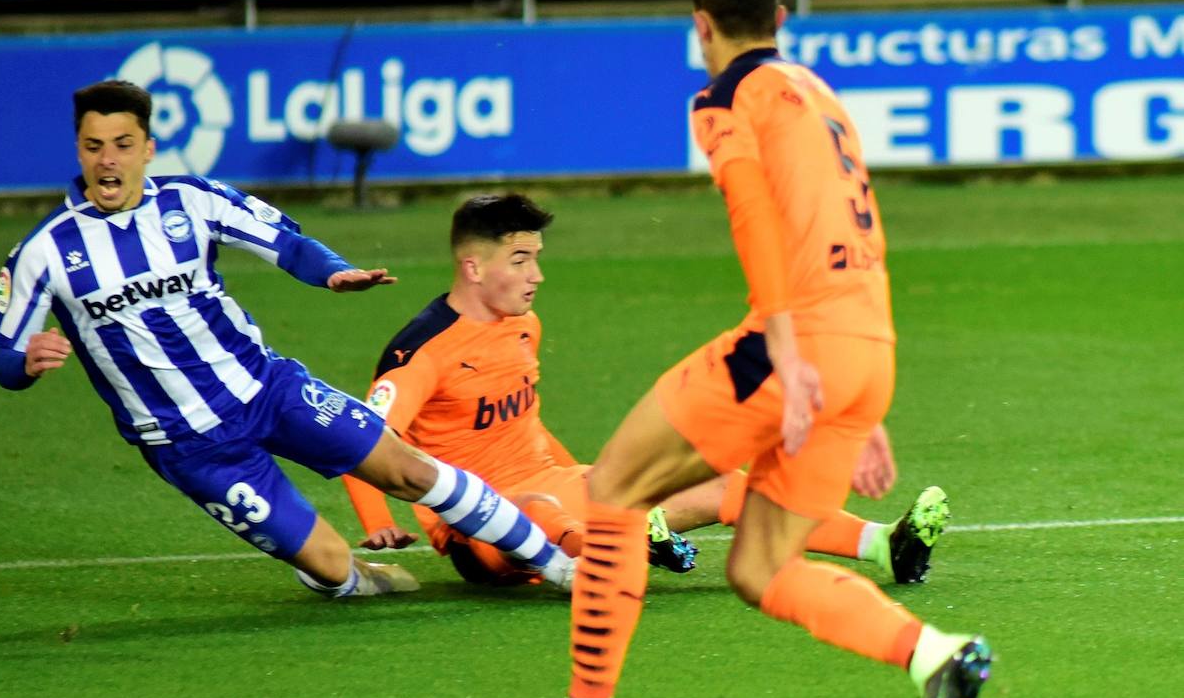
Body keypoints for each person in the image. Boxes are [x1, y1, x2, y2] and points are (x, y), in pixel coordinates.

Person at [478, 0, 991, 698]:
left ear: (701, 23)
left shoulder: (724, 98)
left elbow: (753, 213)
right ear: (781, 19)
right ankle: (937, 654)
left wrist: (788, 347)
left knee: (611, 486)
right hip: (866, 345)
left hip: (794, 344)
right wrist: (862, 395)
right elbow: (854, 233)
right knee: (761, 566)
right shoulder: (822, 94)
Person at [0, 79, 578, 600]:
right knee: (331, 566)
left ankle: (561, 570)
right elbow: (3, 356)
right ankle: (347, 574)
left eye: (122, 145)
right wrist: (27, 362)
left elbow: (285, 243)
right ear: (79, 152)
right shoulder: (45, 251)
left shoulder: (193, 201)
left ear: (148, 150)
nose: (108, 161)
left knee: (411, 471)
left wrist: (333, 271)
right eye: (94, 147)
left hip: (270, 389)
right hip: (192, 447)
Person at [343, 193, 950, 588]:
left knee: (723, 482)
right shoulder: (421, 349)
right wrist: (378, 521)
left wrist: (583, 474)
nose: (537, 275)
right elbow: (358, 438)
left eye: (537, 257)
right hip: (480, 527)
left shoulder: (523, 325)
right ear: (474, 268)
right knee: (537, 508)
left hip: (557, 488)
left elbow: (522, 424)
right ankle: (617, 549)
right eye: (522, 260)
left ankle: (883, 547)